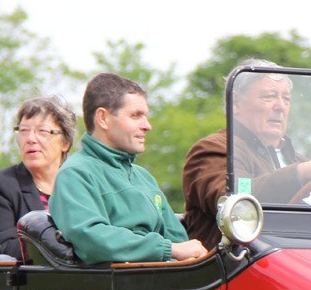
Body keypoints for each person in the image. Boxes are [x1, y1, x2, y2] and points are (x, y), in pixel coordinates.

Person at [182, 59, 311, 248]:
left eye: (286, 99)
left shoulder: (298, 159)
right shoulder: (214, 150)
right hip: (248, 267)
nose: (280, 106)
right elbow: (235, 200)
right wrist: (299, 174)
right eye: (269, 97)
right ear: (235, 102)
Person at [50, 73, 207, 265]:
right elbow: (91, 238)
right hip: (119, 288)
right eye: (135, 116)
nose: (147, 126)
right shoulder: (76, 174)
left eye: (145, 116)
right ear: (103, 118)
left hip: (164, 282)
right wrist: (168, 250)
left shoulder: (144, 177)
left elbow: (177, 237)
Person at [0, 96, 78, 258]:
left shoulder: (80, 186)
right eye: (24, 131)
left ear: (65, 143)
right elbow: (2, 248)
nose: (30, 139)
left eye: (42, 131)